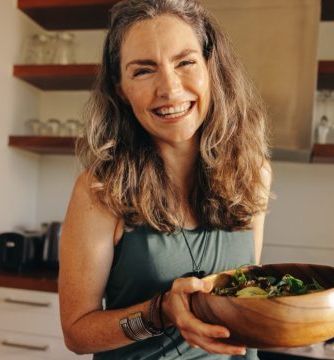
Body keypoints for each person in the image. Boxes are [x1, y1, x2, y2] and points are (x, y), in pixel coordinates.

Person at [58, 0, 271, 358]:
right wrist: (158, 312)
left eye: (185, 62)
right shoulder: (99, 190)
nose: (170, 89)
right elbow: (77, 333)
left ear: (210, 67)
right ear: (120, 89)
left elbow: (244, 293)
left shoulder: (253, 172)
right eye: (143, 71)